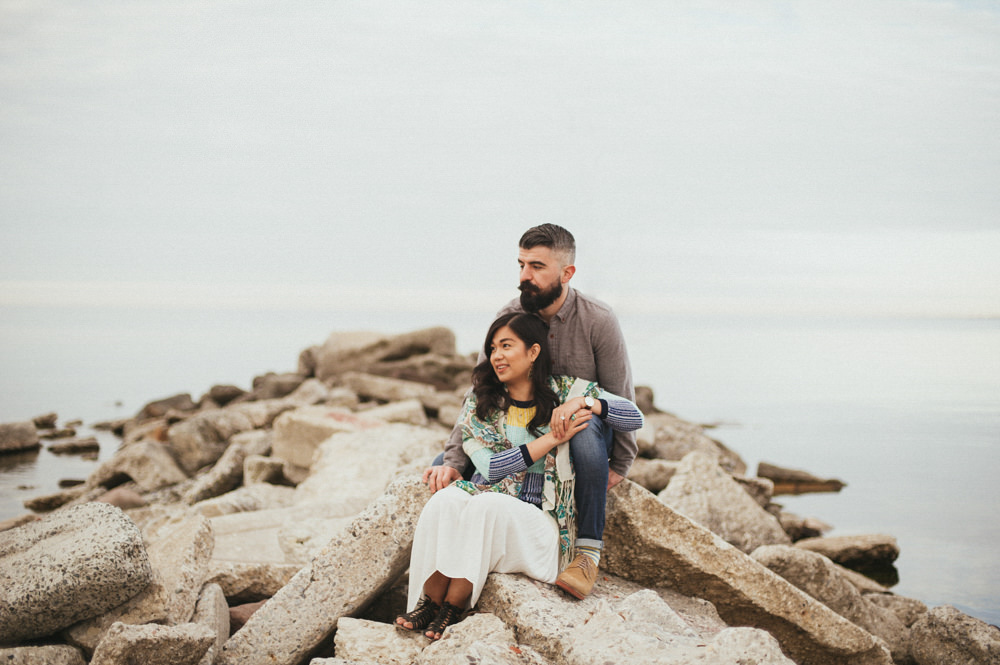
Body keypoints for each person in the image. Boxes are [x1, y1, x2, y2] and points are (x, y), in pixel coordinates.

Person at [398, 313, 643, 639]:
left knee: (488, 507)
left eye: (506, 346)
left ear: (533, 352)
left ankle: (453, 608)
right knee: (446, 500)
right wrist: (552, 439)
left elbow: (633, 416)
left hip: (543, 522)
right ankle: (429, 600)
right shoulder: (480, 402)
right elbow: (492, 468)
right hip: (491, 497)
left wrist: (587, 402)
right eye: (493, 348)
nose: (496, 355)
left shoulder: (567, 390)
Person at [422, 224, 636, 599]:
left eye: (537, 266)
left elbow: (622, 396)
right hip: (522, 434)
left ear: (567, 273)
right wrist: (453, 459)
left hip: (578, 429)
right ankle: (447, 569)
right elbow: (480, 393)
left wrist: (619, 464)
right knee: (446, 470)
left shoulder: (598, 319)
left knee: (584, 428)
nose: (525, 276)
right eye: (521, 264)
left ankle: (586, 553)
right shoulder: (510, 316)